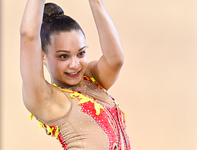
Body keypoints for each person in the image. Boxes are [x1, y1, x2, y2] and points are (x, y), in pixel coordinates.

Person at [20, 0, 131, 149]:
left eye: (81, 53)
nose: (75, 64)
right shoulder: (46, 99)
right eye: (64, 56)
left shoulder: (92, 80)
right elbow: (28, 36)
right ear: (42, 56)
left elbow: (115, 59)